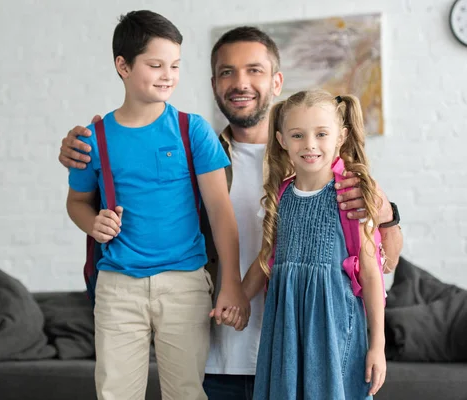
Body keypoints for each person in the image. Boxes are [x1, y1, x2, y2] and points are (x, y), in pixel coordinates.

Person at [60, 26, 403, 400]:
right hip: (217, 354)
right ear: (213, 83)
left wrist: (387, 215)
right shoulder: (196, 149)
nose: (240, 82)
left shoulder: (321, 168)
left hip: (298, 353)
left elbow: (381, 262)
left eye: (254, 70)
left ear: (277, 81)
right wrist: (90, 145)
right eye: (227, 72)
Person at [65, 10, 248, 400]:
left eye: (175, 65)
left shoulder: (191, 129)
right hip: (117, 287)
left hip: (184, 284)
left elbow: (220, 211)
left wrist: (230, 282)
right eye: (155, 65)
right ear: (123, 66)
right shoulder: (93, 138)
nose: (168, 75)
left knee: (185, 392)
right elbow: (77, 202)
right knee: (115, 393)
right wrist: (91, 223)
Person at [242, 89, 387, 399]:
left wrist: (378, 345)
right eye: (297, 135)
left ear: (341, 136)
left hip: (336, 332)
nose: (309, 144)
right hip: (286, 334)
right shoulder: (280, 197)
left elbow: (371, 273)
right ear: (281, 140)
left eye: (321, 134)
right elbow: (266, 259)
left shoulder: (352, 196)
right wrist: (237, 297)